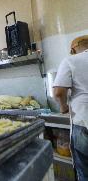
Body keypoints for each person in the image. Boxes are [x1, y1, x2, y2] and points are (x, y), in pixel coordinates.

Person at [53, 35, 88, 181]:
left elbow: (59, 92)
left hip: (83, 121)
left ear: (74, 48)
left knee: (85, 173)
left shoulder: (71, 60)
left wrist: (63, 107)